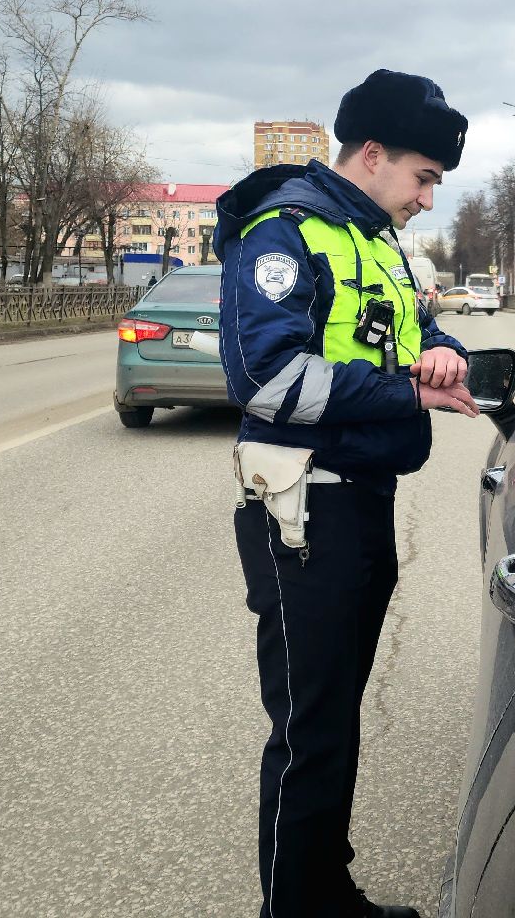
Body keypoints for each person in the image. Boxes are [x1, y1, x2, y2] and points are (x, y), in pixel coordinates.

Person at [214, 69, 477, 918]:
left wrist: (438, 353)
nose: (429, 198)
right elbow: (266, 376)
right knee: (309, 735)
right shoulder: (284, 231)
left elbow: (408, 327)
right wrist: (408, 392)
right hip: (306, 516)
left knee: (336, 724)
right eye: (424, 177)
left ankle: (328, 893)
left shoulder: (374, 241)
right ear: (373, 154)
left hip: (359, 505)